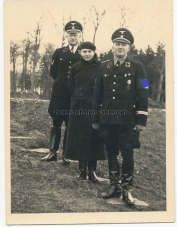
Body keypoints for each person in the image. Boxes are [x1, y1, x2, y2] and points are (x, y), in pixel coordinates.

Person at [92, 28, 148, 205]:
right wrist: (95, 118)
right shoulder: (104, 66)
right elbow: (97, 93)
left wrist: (141, 120)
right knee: (111, 152)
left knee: (127, 152)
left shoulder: (138, 67)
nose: (120, 47)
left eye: (124, 44)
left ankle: (127, 189)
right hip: (107, 118)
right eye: (117, 43)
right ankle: (114, 186)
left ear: (129, 47)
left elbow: (144, 91)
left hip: (128, 120)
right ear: (113, 46)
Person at [41, 21, 83, 163]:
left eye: (75, 35)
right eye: (70, 35)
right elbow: (53, 73)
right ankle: (52, 152)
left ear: (80, 36)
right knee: (56, 122)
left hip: (74, 96)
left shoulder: (84, 53)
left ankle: (66, 154)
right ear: (66, 36)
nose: (73, 37)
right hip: (59, 94)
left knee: (70, 124)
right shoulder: (59, 52)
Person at [65, 41, 107, 182]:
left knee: (94, 138)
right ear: (80, 53)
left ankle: (92, 171)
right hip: (78, 107)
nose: (87, 54)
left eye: (90, 51)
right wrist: (78, 99)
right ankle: (82, 171)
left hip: (95, 107)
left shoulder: (100, 66)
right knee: (80, 138)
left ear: (94, 52)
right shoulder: (75, 67)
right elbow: (71, 87)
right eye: (84, 51)